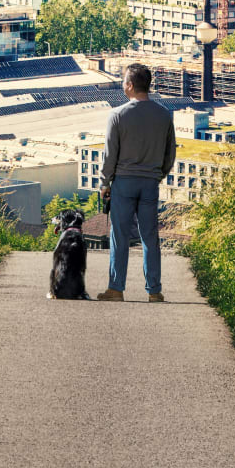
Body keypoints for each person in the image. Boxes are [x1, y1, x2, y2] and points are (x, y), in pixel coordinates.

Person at [96, 62, 176, 302]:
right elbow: (169, 153)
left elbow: (110, 154)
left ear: (130, 85)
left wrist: (104, 183)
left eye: (123, 81)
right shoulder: (164, 114)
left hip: (124, 182)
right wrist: (158, 174)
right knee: (149, 236)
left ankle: (116, 288)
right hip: (150, 182)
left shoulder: (117, 115)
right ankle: (154, 291)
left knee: (119, 235)